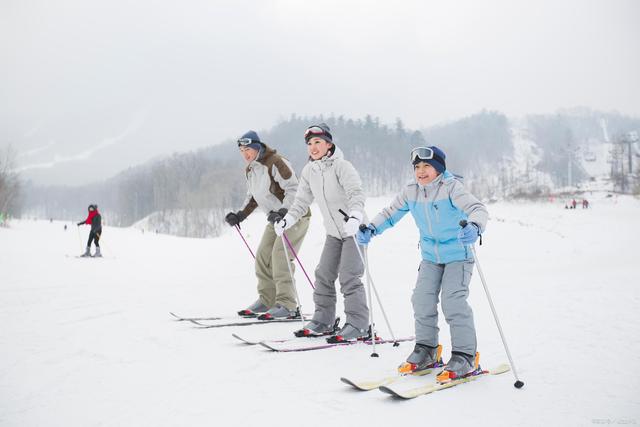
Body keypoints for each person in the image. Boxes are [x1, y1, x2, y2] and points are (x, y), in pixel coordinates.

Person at [357, 146, 488, 382]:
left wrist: (475, 227)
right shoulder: (411, 191)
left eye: (427, 166)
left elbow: (477, 208)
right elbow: (391, 213)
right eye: (417, 167)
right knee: (421, 298)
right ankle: (427, 350)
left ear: (438, 169)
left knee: (453, 301)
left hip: (458, 255)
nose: (421, 171)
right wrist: (372, 228)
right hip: (430, 256)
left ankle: (465, 356)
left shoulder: (452, 188)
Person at [274, 123, 370, 343]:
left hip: (354, 230)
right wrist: (287, 219)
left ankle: (358, 324)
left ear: (329, 144)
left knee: (349, 277)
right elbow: (301, 201)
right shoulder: (309, 171)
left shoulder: (342, 166)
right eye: (309, 144)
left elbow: (356, 193)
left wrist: (355, 216)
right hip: (333, 233)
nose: (313, 147)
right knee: (323, 274)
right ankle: (323, 320)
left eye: (318, 142)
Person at [225, 131, 311, 320]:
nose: (244, 154)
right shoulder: (251, 169)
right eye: (241, 150)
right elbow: (253, 197)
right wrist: (240, 215)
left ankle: (288, 305)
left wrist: (283, 211)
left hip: (295, 216)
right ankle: (268, 300)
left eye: (247, 149)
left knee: (280, 257)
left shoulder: (276, 162)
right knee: (263, 257)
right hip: (275, 220)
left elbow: (294, 189)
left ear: (257, 147)